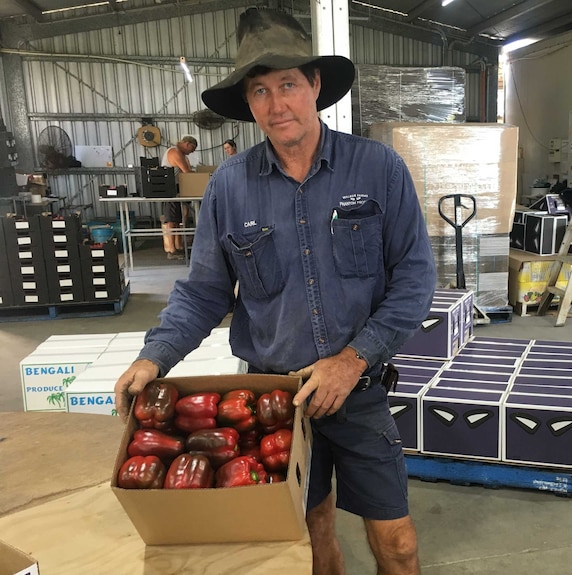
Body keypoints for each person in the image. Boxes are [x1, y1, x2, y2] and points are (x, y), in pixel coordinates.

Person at [113, 7, 435, 575]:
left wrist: (352, 359)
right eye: (260, 91)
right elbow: (205, 290)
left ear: (315, 85)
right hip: (274, 403)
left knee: (398, 543)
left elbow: (414, 281)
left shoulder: (378, 168)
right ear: (248, 103)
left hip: (357, 391)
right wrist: (153, 356)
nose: (276, 103)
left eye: (288, 83)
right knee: (310, 539)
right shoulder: (229, 187)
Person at [161, 135, 197, 260]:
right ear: (187, 144)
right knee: (171, 219)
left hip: (177, 190)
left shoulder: (181, 155)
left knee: (177, 220)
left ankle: (179, 246)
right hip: (171, 190)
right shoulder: (175, 152)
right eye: (191, 149)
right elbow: (186, 171)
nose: (191, 152)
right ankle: (171, 249)